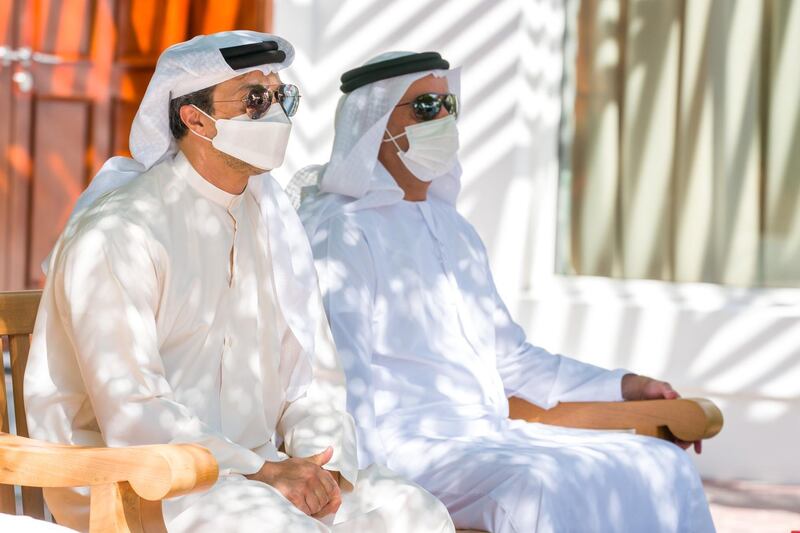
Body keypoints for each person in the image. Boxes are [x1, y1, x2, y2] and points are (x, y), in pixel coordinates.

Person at [24, 34, 453, 533]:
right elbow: (133, 410)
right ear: (196, 119)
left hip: (261, 471)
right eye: (254, 99)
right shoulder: (121, 231)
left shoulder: (272, 220)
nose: (276, 114)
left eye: (280, 96)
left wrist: (322, 463)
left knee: (413, 512)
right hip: (146, 480)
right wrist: (265, 472)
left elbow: (311, 373)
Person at [296, 51, 716, 533]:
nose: (445, 119)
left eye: (449, 105)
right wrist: (362, 488)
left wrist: (625, 386)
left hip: (489, 436)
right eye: (426, 107)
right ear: (374, 122)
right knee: (536, 484)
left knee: (661, 463)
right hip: (404, 448)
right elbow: (340, 381)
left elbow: (512, 360)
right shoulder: (342, 232)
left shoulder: (455, 230)